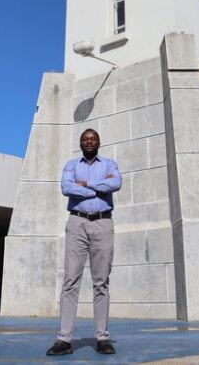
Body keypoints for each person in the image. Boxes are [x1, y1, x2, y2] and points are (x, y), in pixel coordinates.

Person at [46, 128, 122, 356]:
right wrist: (97, 187)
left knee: (101, 282)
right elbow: (66, 187)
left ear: (98, 142)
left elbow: (116, 183)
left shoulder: (109, 164)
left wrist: (85, 184)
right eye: (85, 139)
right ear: (80, 143)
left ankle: (102, 338)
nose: (89, 142)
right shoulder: (71, 165)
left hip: (103, 223)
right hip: (77, 223)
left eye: (93, 139)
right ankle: (64, 339)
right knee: (70, 281)